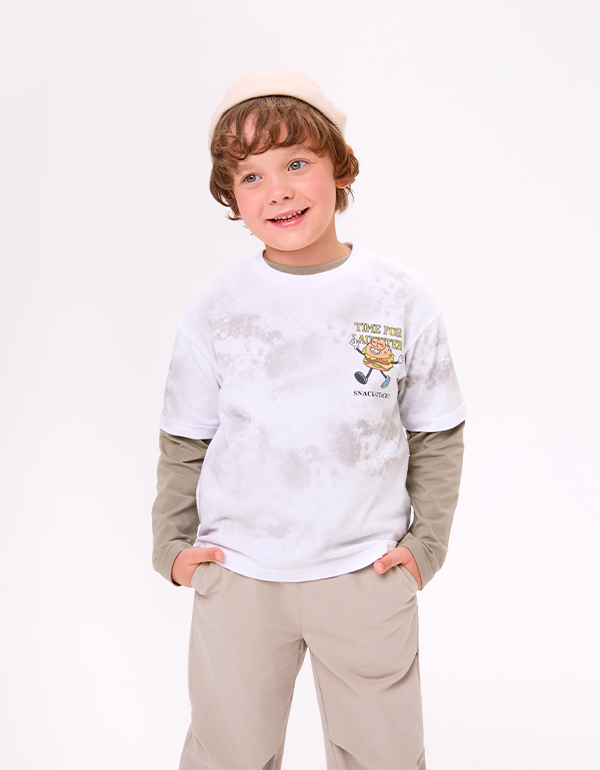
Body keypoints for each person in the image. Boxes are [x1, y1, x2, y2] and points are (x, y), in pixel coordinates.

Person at [152, 68, 467, 770]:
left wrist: (426, 547)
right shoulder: (218, 308)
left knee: (385, 756)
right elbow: (185, 438)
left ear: (340, 167)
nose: (279, 190)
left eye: (296, 163)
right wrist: (171, 544)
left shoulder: (398, 297)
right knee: (227, 755)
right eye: (252, 176)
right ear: (232, 195)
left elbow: (436, 432)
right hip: (238, 575)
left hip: (366, 573)